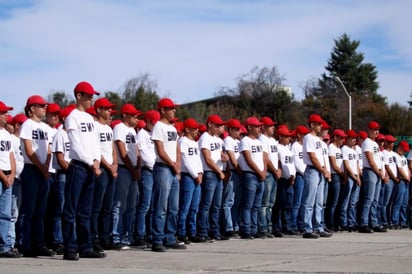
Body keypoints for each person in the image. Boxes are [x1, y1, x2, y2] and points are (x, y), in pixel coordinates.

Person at [62, 81, 105, 260]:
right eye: (88, 97)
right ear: (78, 96)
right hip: (79, 166)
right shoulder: (72, 117)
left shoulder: (89, 119)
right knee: (71, 209)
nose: (90, 101)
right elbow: (76, 144)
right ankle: (70, 248)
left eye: (92, 98)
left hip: (90, 167)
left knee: (85, 210)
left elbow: (95, 143)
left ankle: (85, 246)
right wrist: (90, 162)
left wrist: (96, 160)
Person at [18, 95, 56, 257]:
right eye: (41, 106)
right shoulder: (28, 125)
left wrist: (46, 166)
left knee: (41, 210)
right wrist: (42, 167)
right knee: (29, 209)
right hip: (32, 169)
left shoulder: (45, 127)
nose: (44, 108)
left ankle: (38, 243)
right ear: (32, 108)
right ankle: (26, 244)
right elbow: (28, 149)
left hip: (43, 170)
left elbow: (48, 148)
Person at [151, 98, 186, 252]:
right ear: (163, 110)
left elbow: (177, 148)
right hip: (163, 168)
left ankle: (170, 237)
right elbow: (160, 150)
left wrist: (177, 163)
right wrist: (173, 164)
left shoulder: (172, 128)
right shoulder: (159, 127)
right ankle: (157, 239)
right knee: (161, 205)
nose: (174, 111)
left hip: (172, 169)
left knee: (173, 206)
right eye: (171, 108)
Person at [112, 103, 141, 249]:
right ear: (125, 115)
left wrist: (138, 167)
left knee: (131, 205)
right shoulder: (119, 128)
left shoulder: (133, 131)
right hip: (124, 169)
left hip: (133, 169)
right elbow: (122, 151)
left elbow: (136, 151)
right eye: (133, 115)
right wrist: (132, 168)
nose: (136, 117)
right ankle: (116, 236)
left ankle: (127, 236)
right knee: (119, 204)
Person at [196, 114, 229, 242]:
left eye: (220, 125)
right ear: (210, 124)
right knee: (206, 204)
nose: (219, 128)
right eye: (217, 125)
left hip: (218, 172)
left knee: (216, 205)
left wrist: (224, 158)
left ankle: (215, 231)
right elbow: (207, 159)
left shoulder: (219, 140)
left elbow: (221, 155)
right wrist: (218, 171)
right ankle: (203, 231)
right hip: (210, 173)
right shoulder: (205, 138)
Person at [91, 98, 118, 252]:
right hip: (101, 168)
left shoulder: (108, 129)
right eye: (107, 109)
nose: (109, 112)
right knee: (97, 206)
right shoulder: (94, 127)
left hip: (110, 170)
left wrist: (114, 165)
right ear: (99, 110)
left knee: (108, 206)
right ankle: (94, 237)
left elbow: (112, 149)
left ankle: (105, 237)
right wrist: (108, 166)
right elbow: (96, 149)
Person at [301, 114, 332, 239]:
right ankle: (307, 228)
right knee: (309, 201)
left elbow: (322, 157)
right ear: (312, 125)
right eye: (318, 124)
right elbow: (312, 157)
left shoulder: (319, 140)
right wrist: (322, 169)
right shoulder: (309, 138)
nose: (321, 126)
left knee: (319, 202)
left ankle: (318, 226)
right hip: (313, 170)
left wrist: (325, 170)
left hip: (320, 171)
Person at [133, 110, 160, 248]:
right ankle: (139, 234)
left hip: (155, 171)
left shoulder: (154, 134)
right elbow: (144, 154)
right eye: (153, 123)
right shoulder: (142, 135)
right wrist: (155, 165)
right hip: (147, 171)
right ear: (148, 121)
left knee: (153, 205)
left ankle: (150, 234)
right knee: (145, 205)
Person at [238, 117, 266, 239]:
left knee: (256, 206)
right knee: (248, 205)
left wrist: (264, 171)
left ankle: (254, 229)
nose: (259, 128)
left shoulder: (259, 142)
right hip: (250, 175)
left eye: (259, 126)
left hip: (260, 176)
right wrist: (259, 172)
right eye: (256, 126)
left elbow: (264, 158)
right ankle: (246, 229)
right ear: (249, 127)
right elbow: (248, 159)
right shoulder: (245, 141)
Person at [177, 118, 203, 244]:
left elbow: (198, 160)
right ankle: (181, 232)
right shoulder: (183, 141)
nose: (197, 130)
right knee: (185, 206)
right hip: (188, 176)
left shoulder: (194, 143)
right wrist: (195, 175)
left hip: (196, 177)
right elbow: (185, 160)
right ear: (187, 129)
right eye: (194, 128)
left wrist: (201, 172)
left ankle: (191, 232)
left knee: (194, 207)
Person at [358, 121, 386, 233]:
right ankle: (363, 223)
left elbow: (378, 160)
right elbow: (370, 160)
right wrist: (378, 172)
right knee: (368, 198)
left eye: (377, 129)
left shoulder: (375, 144)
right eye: (374, 129)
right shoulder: (367, 142)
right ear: (369, 130)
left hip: (377, 172)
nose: (376, 131)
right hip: (371, 171)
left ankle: (373, 222)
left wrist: (381, 172)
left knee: (375, 200)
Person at [0, 101, 20, 258]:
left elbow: (11, 156)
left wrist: (12, 174)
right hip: (1, 175)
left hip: (8, 175)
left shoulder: (6, 135)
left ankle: (5, 246)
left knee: (6, 213)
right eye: (2, 112)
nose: (6, 115)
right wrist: (3, 176)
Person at [257, 116, 279, 238]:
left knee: (271, 203)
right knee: (264, 203)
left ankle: (269, 227)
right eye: (270, 126)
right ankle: (263, 227)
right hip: (269, 173)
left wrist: (278, 169)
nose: (273, 128)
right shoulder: (262, 139)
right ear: (263, 127)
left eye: (273, 126)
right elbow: (266, 158)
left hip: (274, 173)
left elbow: (276, 158)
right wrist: (274, 170)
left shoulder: (273, 140)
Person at [223, 119, 243, 236]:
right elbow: (231, 157)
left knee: (236, 201)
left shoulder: (237, 141)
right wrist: (238, 169)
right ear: (230, 130)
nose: (238, 131)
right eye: (236, 129)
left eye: (239, 129)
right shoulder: (228, 140)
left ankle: (235, 225)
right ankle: (228, 227)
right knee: (228, 201)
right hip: (233, 172)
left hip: (238, 173)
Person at [339, 130, 361, 232]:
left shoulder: (354, 150)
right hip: (350, 176)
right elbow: (346, 165)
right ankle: (344, 222)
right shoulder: (344, 149)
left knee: (353, 202)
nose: (354, 140)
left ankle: (351, 222)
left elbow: (356, 164)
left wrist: (358, 177)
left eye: (355, 138)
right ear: (347, 139)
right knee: (346, 201)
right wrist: (353, 176)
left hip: (356, 176)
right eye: (352, 138)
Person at [277, 127, 296, 234]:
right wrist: (287, 175)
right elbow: (281, 164)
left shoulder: (288, 149)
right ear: (280, 137)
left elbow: (291, 164)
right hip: (283, 179)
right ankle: (280, 226)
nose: (289, 138)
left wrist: (293, 176)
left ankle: (287, 226)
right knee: (281, 204)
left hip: (290, 180)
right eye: (286, 136)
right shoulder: (278, 147)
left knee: (289, 204)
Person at [326, 129, 346, 231]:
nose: (343, 140)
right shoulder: (332, 147)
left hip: (340, 176)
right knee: (333, 202)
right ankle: (330, 223)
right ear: (336, 137)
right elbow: (334, 164)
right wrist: (342, 173)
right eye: (341, 138)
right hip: (335, 176)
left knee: (338, 201)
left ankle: (336, 222)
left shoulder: (339, 149)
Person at [291, 125, 309, 233]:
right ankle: (294, 224)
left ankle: (301, 224)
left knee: (304, 202)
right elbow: (297, 163)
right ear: (299, 135)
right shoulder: (295, 146)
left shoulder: (305, 146)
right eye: (304, 134)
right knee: (297, 202)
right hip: (300, 175)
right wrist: (304, 172)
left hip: (306, 176)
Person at [379, 135, 397, 229]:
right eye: (390, 142)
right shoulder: (384, 153)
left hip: (394, 180)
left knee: (390, 202)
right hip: (389, 179)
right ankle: (384, 221)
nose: (392, 144)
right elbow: (387, 167)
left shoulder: (393, 154)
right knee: (384, 202)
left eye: (393, 142)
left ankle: (388, 220)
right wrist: (393, 177)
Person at [391, 141, 410, 229]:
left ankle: (403, 221)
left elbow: (406, 168)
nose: (405, 152)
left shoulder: (403, 157)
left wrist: (409, 175)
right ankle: (395, 221)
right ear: (399, 147)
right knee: (398, 202)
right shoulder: (396, 156)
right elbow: (400, 169)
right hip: (401, 181)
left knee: (404, 203)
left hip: (406, 181)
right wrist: (406, 176)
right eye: (403, 150)